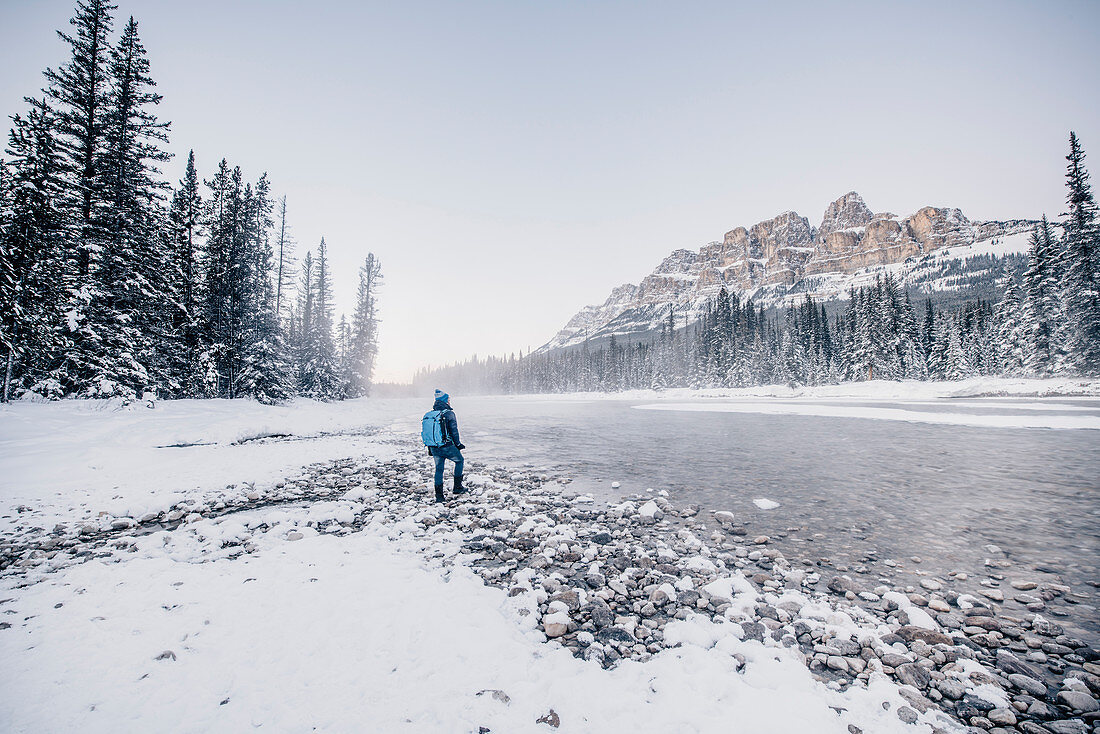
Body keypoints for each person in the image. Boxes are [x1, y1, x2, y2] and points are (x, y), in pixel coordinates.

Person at [427, 389, 466, 503]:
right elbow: (454, 431)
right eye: (448, 399)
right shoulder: (449, 413)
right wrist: (458, 444)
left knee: (439, 469)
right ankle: (457, 487)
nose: (449, 401)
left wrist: (431, 448)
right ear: (445, 401)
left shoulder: (431, 414)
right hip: (446, 446)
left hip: (434, 447)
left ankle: (439, 497)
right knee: (459, 461)